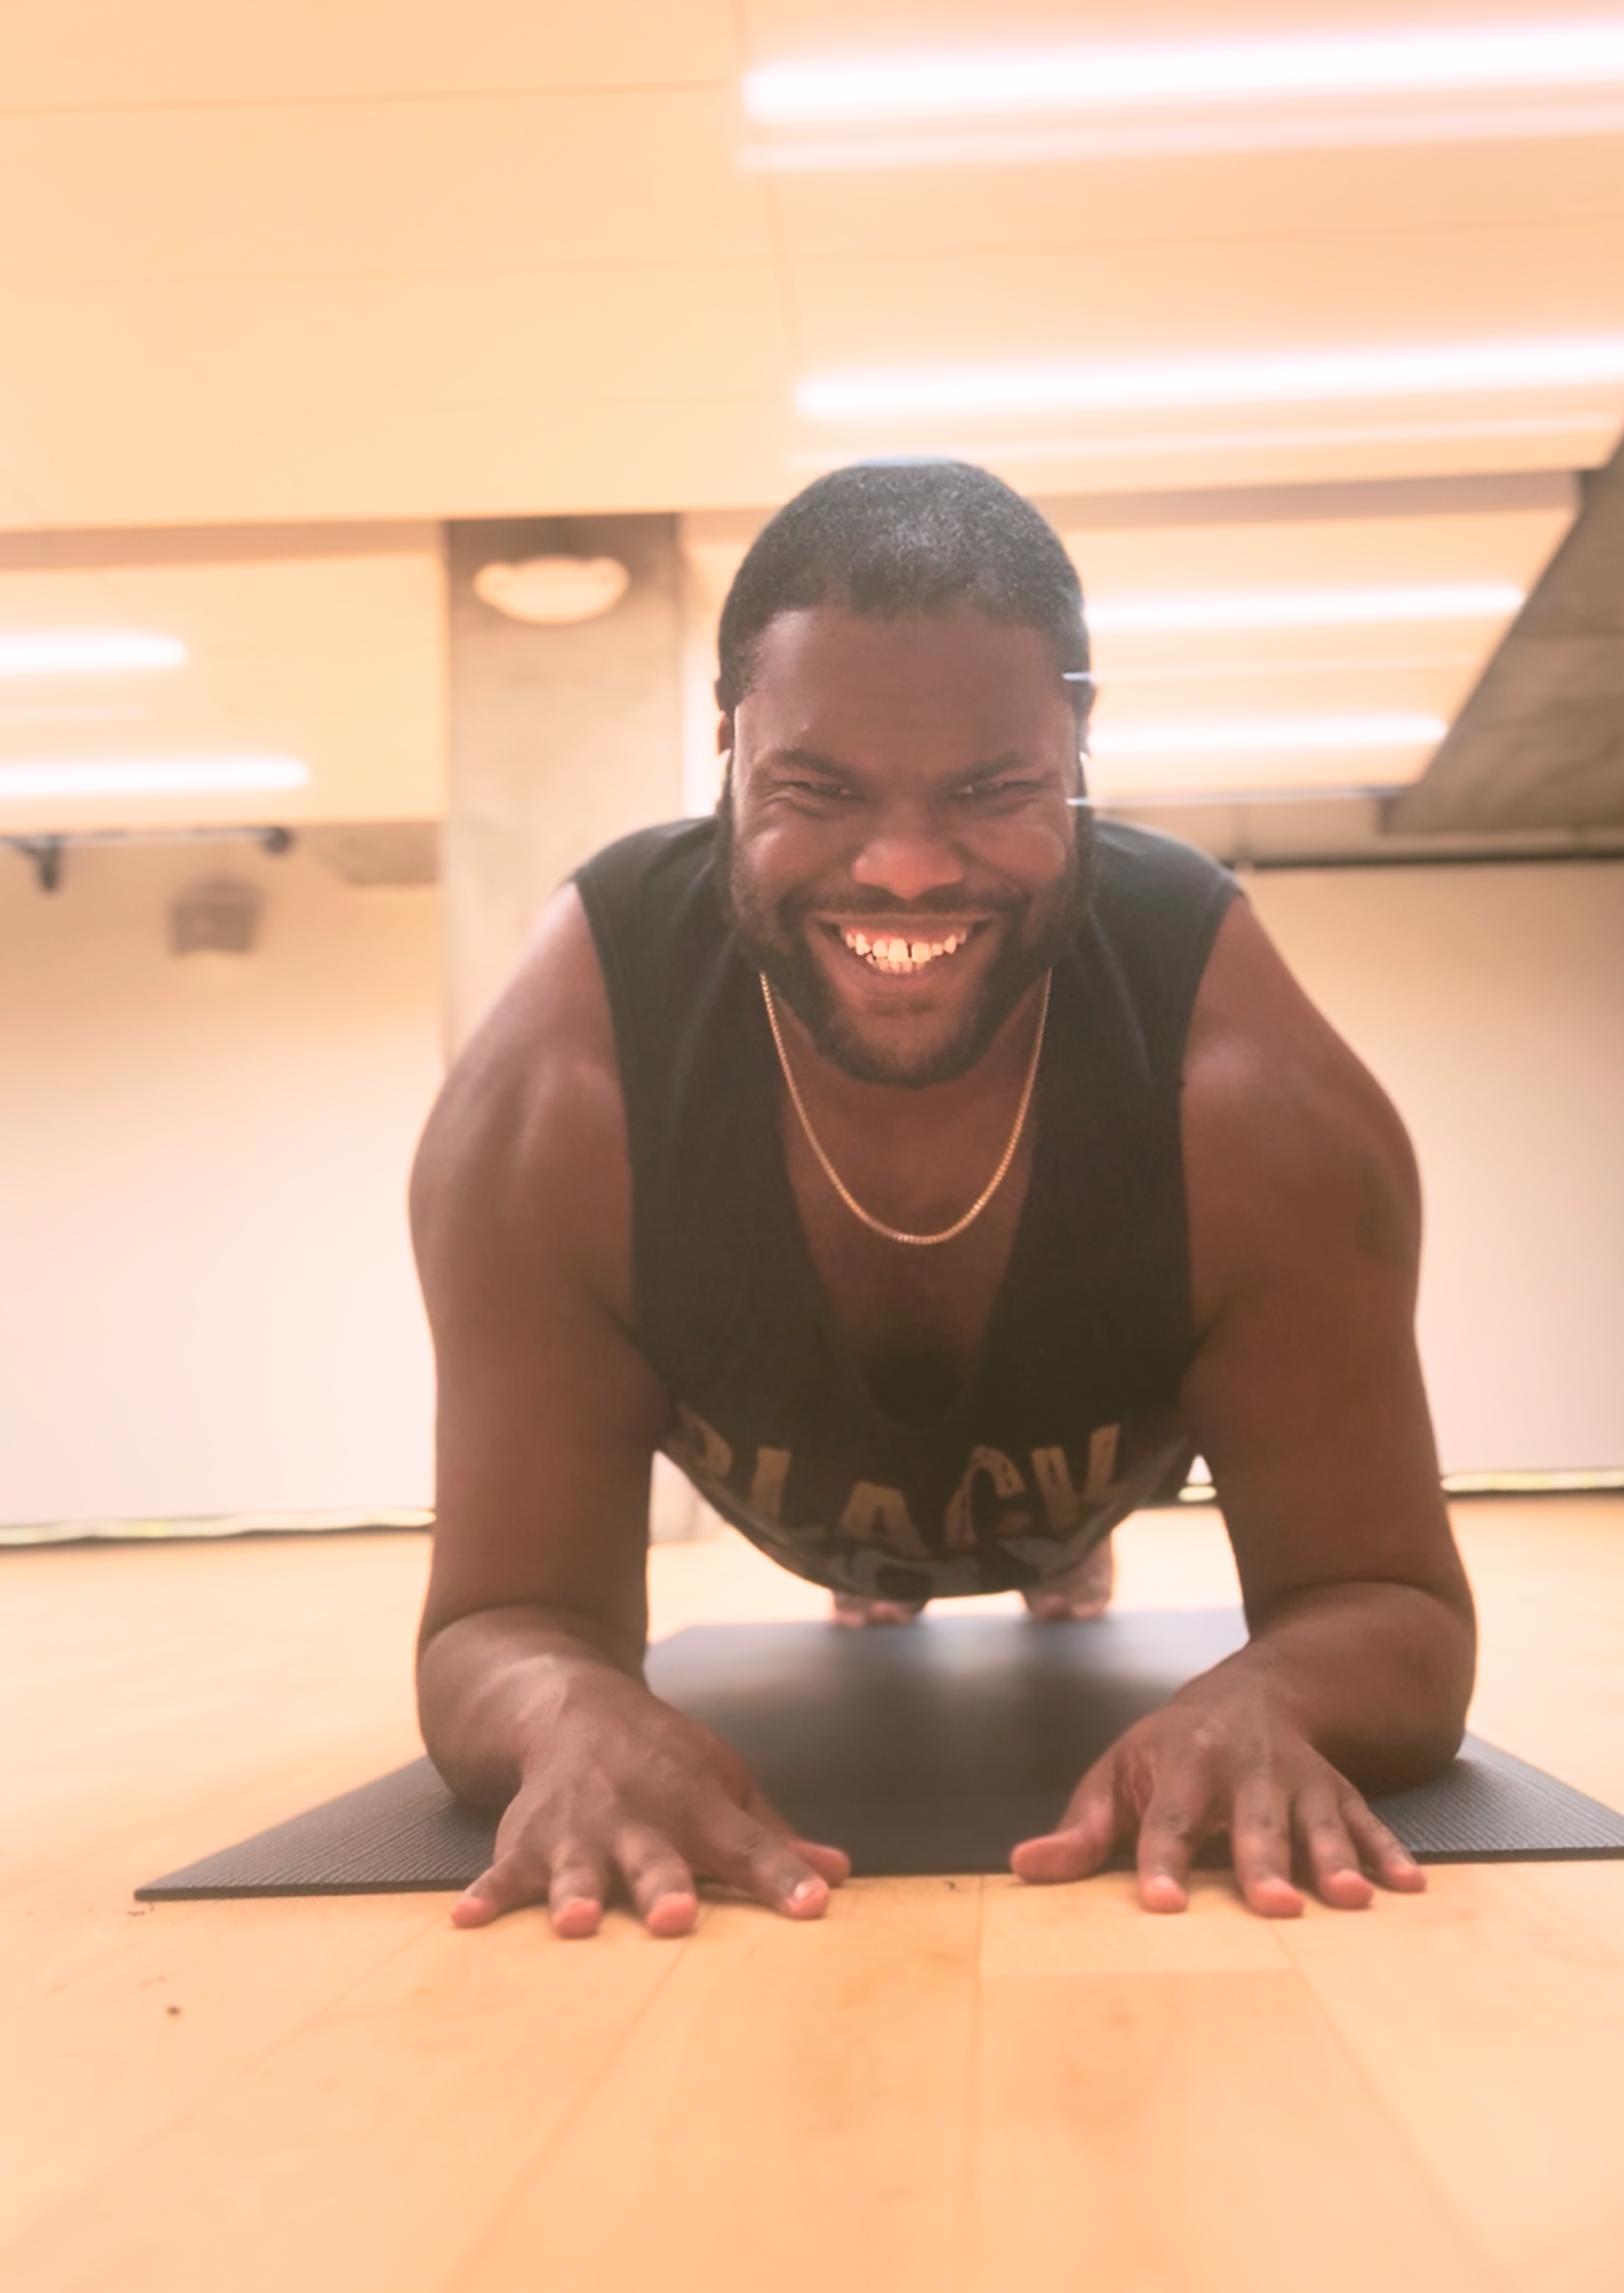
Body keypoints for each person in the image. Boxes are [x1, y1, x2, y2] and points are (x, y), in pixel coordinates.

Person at [410, 460, 1475, 1939]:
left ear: (1079, 751)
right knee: (870, 1557)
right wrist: (563, 1711)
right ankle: (902, 1570)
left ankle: (1054, 1552)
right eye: (817, 789)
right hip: (802, 1479)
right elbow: (494, 1625)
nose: (905, 868)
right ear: (728, 749)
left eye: (991, 790)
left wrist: (1275, 1692)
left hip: (1093, 1443)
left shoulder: (1253, 1103)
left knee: (1052, 1545)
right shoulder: (561, 1099)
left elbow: (1395, 1610)